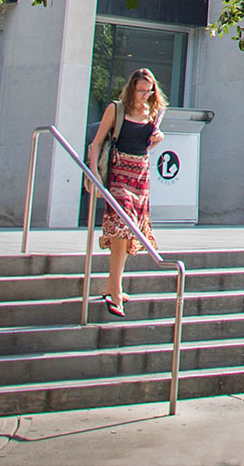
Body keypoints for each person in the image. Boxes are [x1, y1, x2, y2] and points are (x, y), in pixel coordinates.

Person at [87, 68, 166, 317]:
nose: (145, 95)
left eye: (149, 90)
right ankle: (115, 288)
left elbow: (147, 144)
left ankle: (113, 285)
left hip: (140, 175)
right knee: (122, 226)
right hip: (119, 171)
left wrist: (157, 138)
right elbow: (97, 141)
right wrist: (93, 173)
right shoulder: (117, 108)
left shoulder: (153, 112)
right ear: (132, 88)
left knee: (130, 231)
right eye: (141, 90)